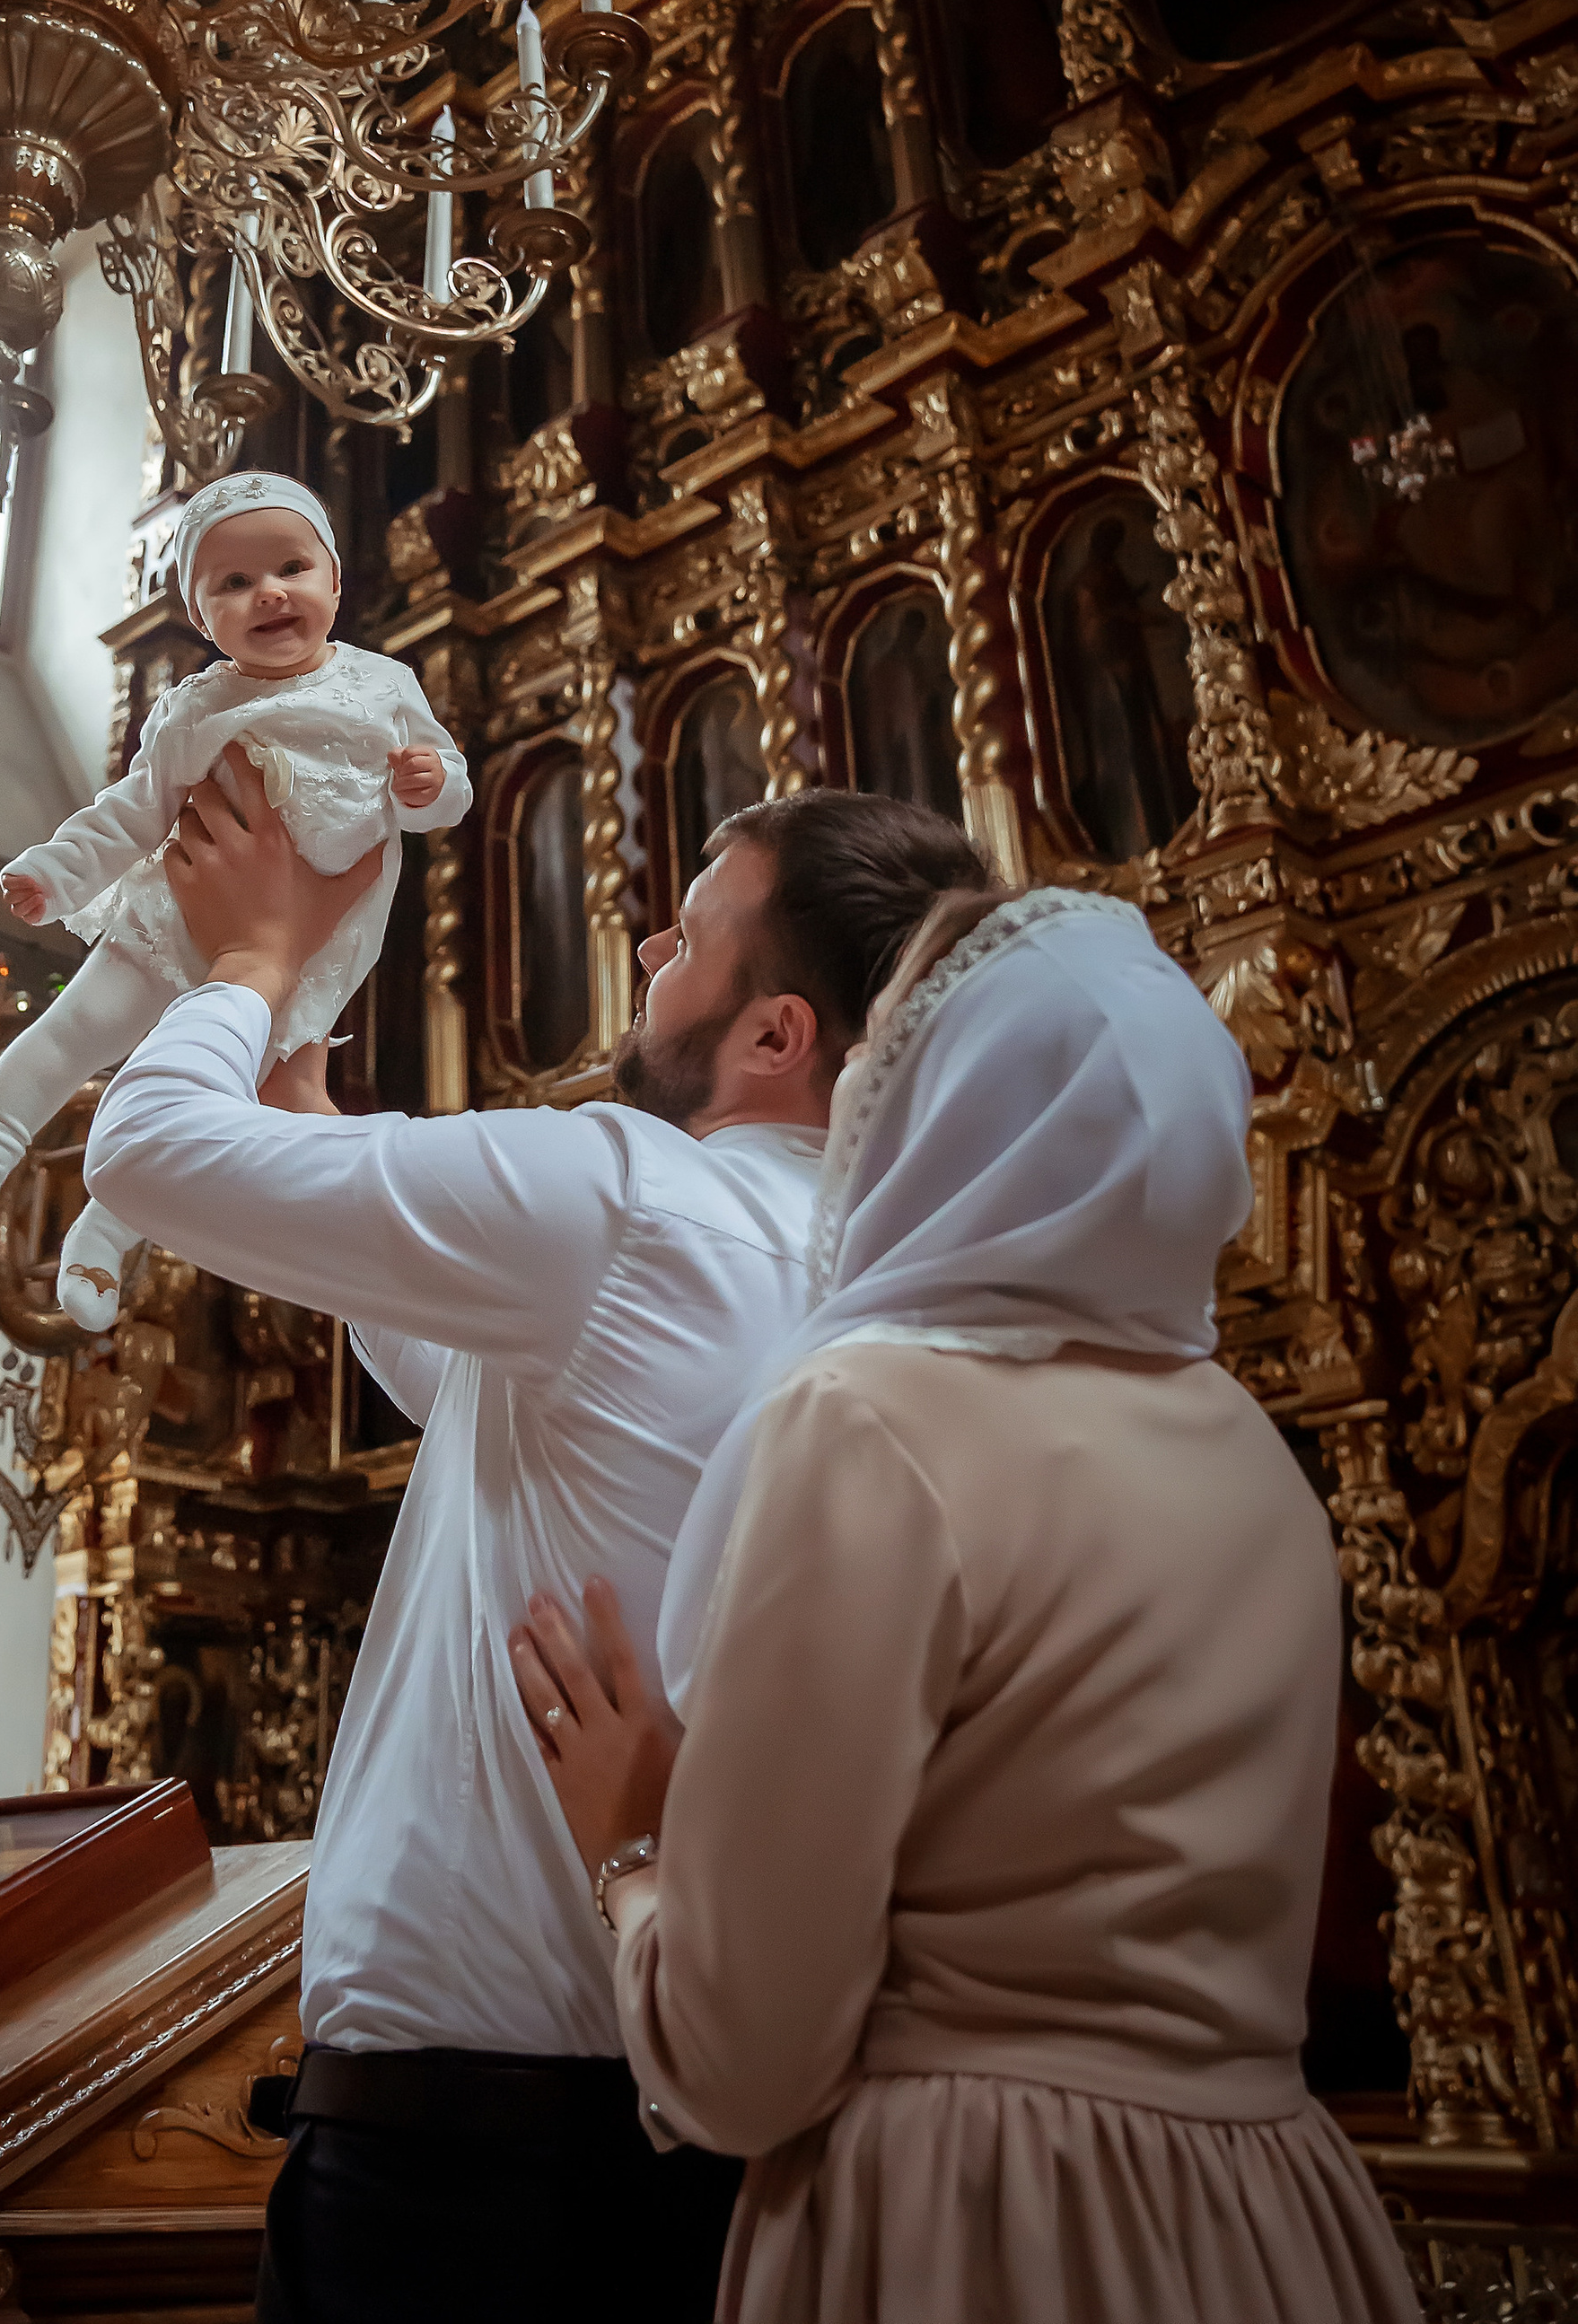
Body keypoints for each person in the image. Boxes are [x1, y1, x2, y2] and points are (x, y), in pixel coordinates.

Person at [81, 760, 986, 2324]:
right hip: (726, 2139)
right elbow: (463, 1368)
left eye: (692, 934)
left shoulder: (626, 1199)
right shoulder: (880, 1285)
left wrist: (248, 961)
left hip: (466, 2160)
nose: (648, 954)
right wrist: (313, 1121)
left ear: (778, 1034)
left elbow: (142, 1155)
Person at [510, 883, 1422, 2324]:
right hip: (1264, 2221)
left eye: (885, 1070)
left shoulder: (870, 1417)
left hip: (978, 2216)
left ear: (942, 1112)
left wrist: (634, 1845)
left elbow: (745, 2063)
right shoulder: (1255, 1457)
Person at [0, 469, 471, 1313]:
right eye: (235, 584)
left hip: (314, 950)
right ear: (204, 619)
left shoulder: (384, 686)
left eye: (291, 569)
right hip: (178, 917)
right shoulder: (195, 707)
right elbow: (133, 811)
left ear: (335, 580)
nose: (270, 594)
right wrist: (59, 871)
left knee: (223, 1112)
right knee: (74, 1032)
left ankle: (106, 1241)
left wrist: (431, 785)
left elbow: (447, 791)